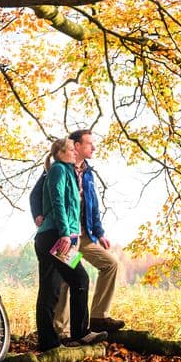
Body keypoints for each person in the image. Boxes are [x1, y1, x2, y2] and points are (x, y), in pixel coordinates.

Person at [32, 137, 106, 351]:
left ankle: (49, 342)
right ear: (62, 152)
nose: (76, 152)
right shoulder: (58, 170)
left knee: (51, 289)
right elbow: (58, 202)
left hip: (56, 237)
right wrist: (65, 234)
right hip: (55, 237)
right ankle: (80, 334)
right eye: (72, 149)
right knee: (79, 278)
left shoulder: (67, 172)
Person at [53, 129, 124, 335]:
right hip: (66, 235)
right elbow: (39, 194)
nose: (93, 147)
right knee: (69, 279)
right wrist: (39, 215)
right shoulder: (60, 168)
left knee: (110, 264)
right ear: (76, 146)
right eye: (89, 143)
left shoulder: (89, 172)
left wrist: (100, 232)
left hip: (85, 236)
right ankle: (61, 332)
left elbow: (93, 205)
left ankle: (99, 317)